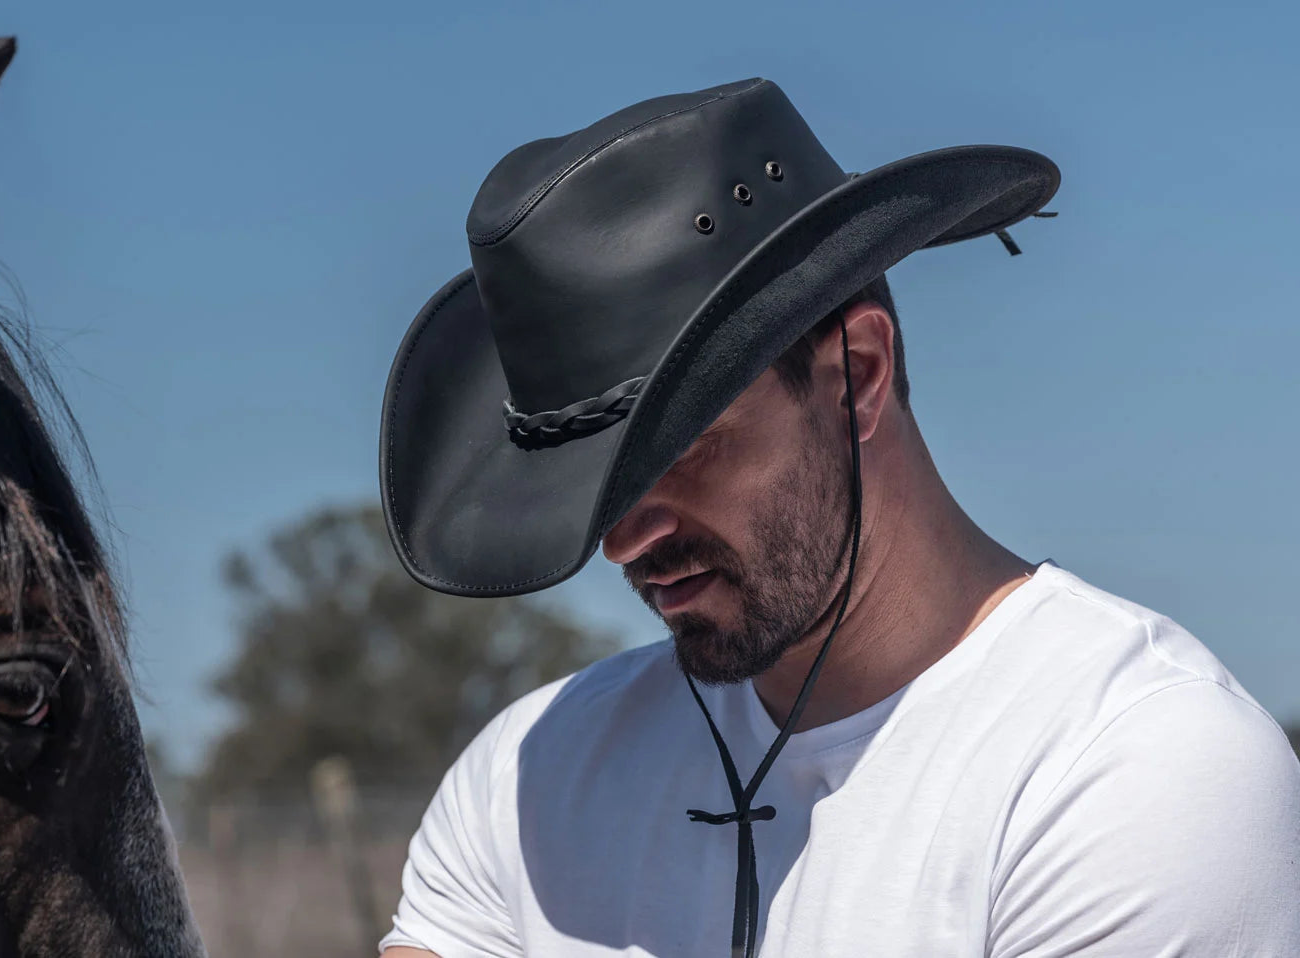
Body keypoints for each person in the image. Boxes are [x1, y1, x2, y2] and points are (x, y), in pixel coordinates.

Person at [375, 77, 1300, 957]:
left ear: (856, 374)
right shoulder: (530, 780)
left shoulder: (1130, 769)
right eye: (594, 490)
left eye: (677, 453)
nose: (622, 539)